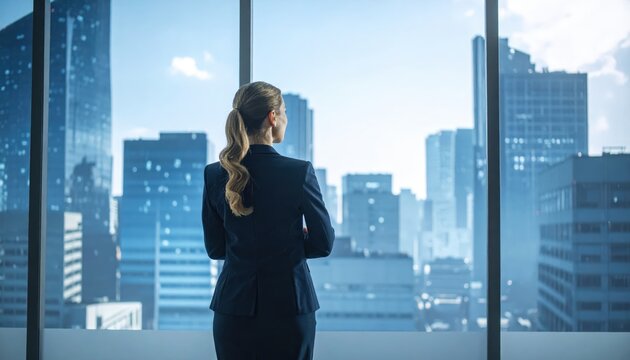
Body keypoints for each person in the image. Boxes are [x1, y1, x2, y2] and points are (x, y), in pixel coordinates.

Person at [201, 81, 335, 359]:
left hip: (233, 310)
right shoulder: (299, 172)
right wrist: (292, 243)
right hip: (290, 308)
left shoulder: (215, 174)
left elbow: (216, 249)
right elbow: (323, 244)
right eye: (284, 112)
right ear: (272, 117)